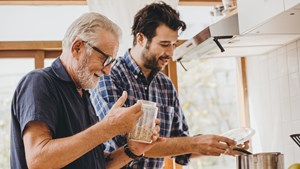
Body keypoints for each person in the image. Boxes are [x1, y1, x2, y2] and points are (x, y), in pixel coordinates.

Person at [90, 2, 248, 169]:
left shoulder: (165, 86)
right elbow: (126, 146)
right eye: (164, 44)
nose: (171, 54)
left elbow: (180, 145)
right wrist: (194, 143)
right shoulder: (110, 77)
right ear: (141, 39)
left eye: (174, 45)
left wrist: (218, 145)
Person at [10, 12, 161, 169]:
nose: (107, 71)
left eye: (112, 62)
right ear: (77, 48)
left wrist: (132, 150)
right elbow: (38, 160)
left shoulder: (83, 95)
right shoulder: (39, 82)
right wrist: (108, 128)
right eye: (105, 59)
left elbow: (96, 164)